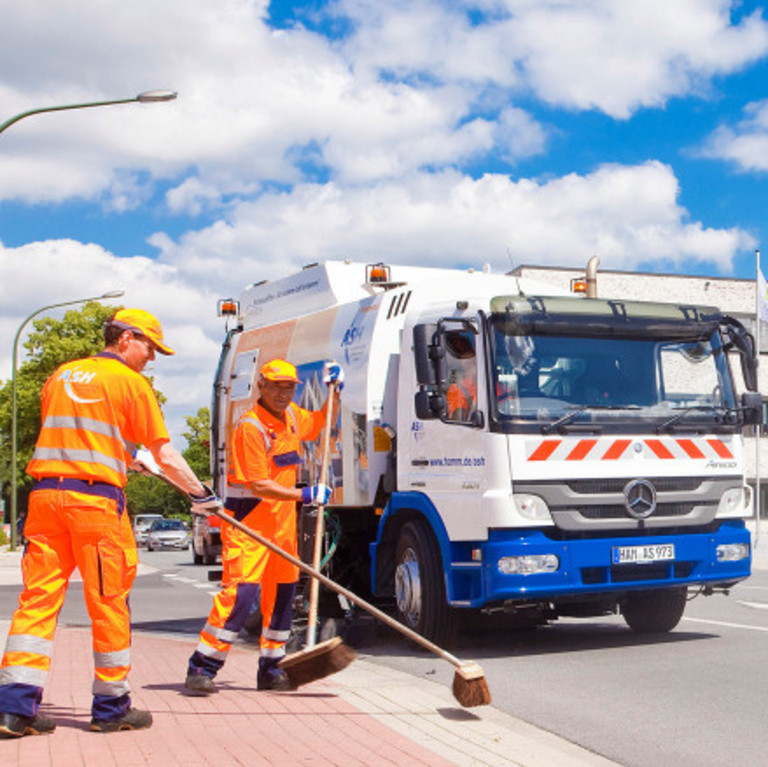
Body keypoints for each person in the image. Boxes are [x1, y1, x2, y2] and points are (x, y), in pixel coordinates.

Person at [0, 308, 219, 739]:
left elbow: (75, 437)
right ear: (125, 338)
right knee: (109, 602)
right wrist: (202, 496)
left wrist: (125, 459)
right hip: (94, 506)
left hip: (45, 498)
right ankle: (111, 706)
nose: (152, 357)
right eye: (150, 346)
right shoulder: (130, 383)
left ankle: (13, 709)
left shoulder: (61, 375)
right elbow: (166, 455)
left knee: (38, 602)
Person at [184, 358, 343, 694]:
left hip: (282, 526)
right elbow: (259, 485)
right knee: (240, 595)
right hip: (249, 526)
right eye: (277, 386)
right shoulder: (250, 428)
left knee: (282, 596)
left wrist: (335, 392)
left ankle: (271, 669)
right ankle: (202, 666)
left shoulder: (293, 418)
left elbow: (321, 423)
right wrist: (306, 493)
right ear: (262, 386)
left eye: (289, 387)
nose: (284, 394)